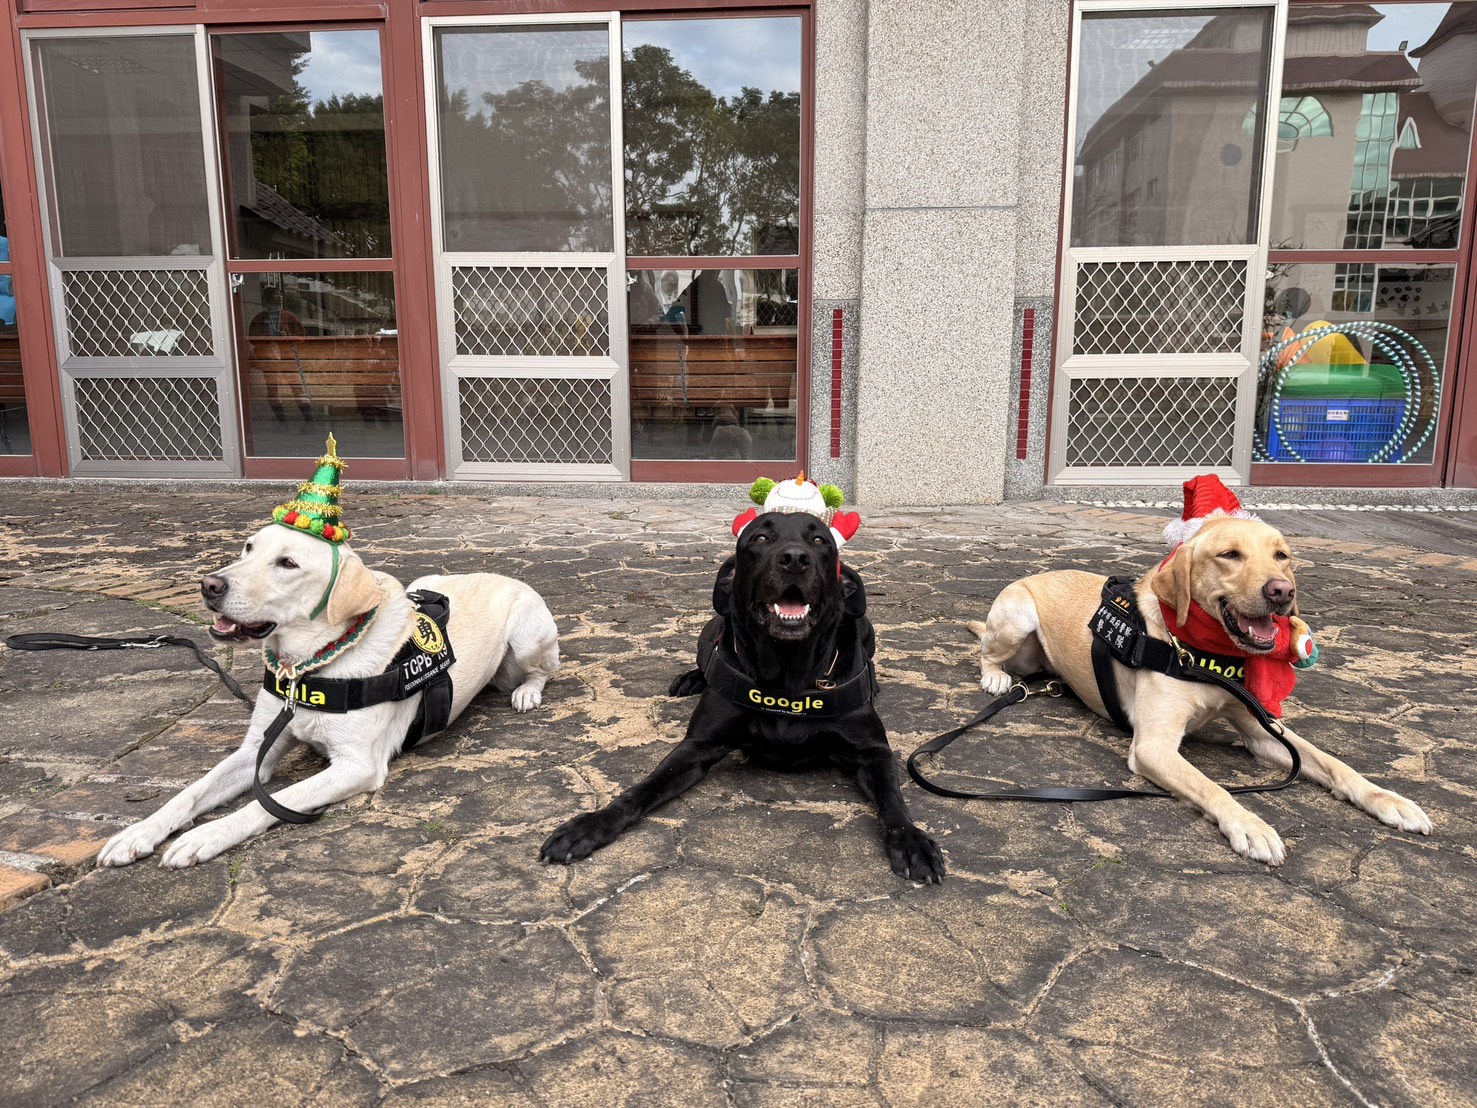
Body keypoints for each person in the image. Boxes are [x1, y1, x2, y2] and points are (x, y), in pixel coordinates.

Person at [248, 286, 311, 424]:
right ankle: (282, 422)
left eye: (280, 294)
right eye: (275, 294)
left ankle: (309, 420)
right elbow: (252, 338)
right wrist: (264, 337)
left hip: (287, 356)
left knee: (297, 387)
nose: (279, 297)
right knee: (273, 391)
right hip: (268, 358)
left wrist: (287, 336)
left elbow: (301, 337)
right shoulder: (260, 317)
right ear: (267, 298)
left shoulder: (289, 316)